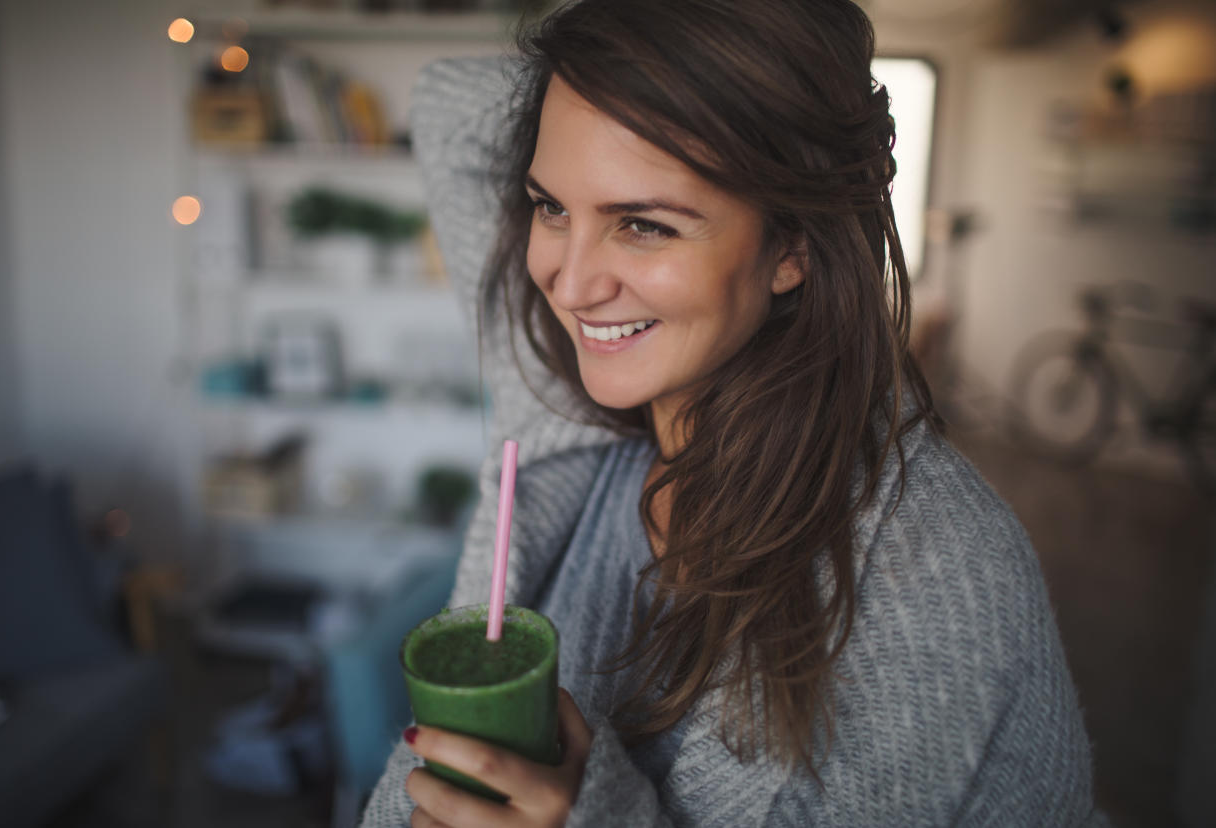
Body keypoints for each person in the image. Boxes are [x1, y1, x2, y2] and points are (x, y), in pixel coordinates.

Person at [362, 0, 1105, 825]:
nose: (569, 286)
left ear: (793, 247)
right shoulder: (554, 398)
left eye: (643, 224)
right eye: (551, 207)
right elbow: (448, 102)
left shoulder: (934, 570)